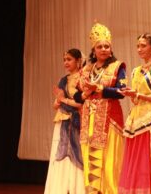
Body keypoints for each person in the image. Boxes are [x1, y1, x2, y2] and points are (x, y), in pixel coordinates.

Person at [74, 23, 127, 194]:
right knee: (90, 158)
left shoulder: (118, 67)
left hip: (109, 120)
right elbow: (77, 94)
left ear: (111, 49)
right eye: (100, 46)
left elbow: (122, 91)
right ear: (94, 50)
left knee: (109, 161)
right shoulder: (87, 69)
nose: (104, 49)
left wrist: (100, 89)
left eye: (107, 46)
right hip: (89, 120)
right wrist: (84, 95)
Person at [118, 34, 151, 194]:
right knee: (137, 159)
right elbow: (137, 99)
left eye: (143, 46)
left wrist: (138, 95)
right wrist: (133, 95)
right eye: (138, 46)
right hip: (136, 119)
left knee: (149, 158)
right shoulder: (136, 71)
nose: (139, 49)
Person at [45, 48, 85, 194]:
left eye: (69, 59)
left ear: (78, 61)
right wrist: (58, 101)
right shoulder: (63, 80)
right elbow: (56, 105)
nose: (66, 62)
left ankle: (76, 189)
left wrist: (63, 99)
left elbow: (82, 104)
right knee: (60, 153)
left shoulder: (82, 79)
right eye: (64, 60)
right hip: (63, 121)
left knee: (76, 153)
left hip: (77, 121)